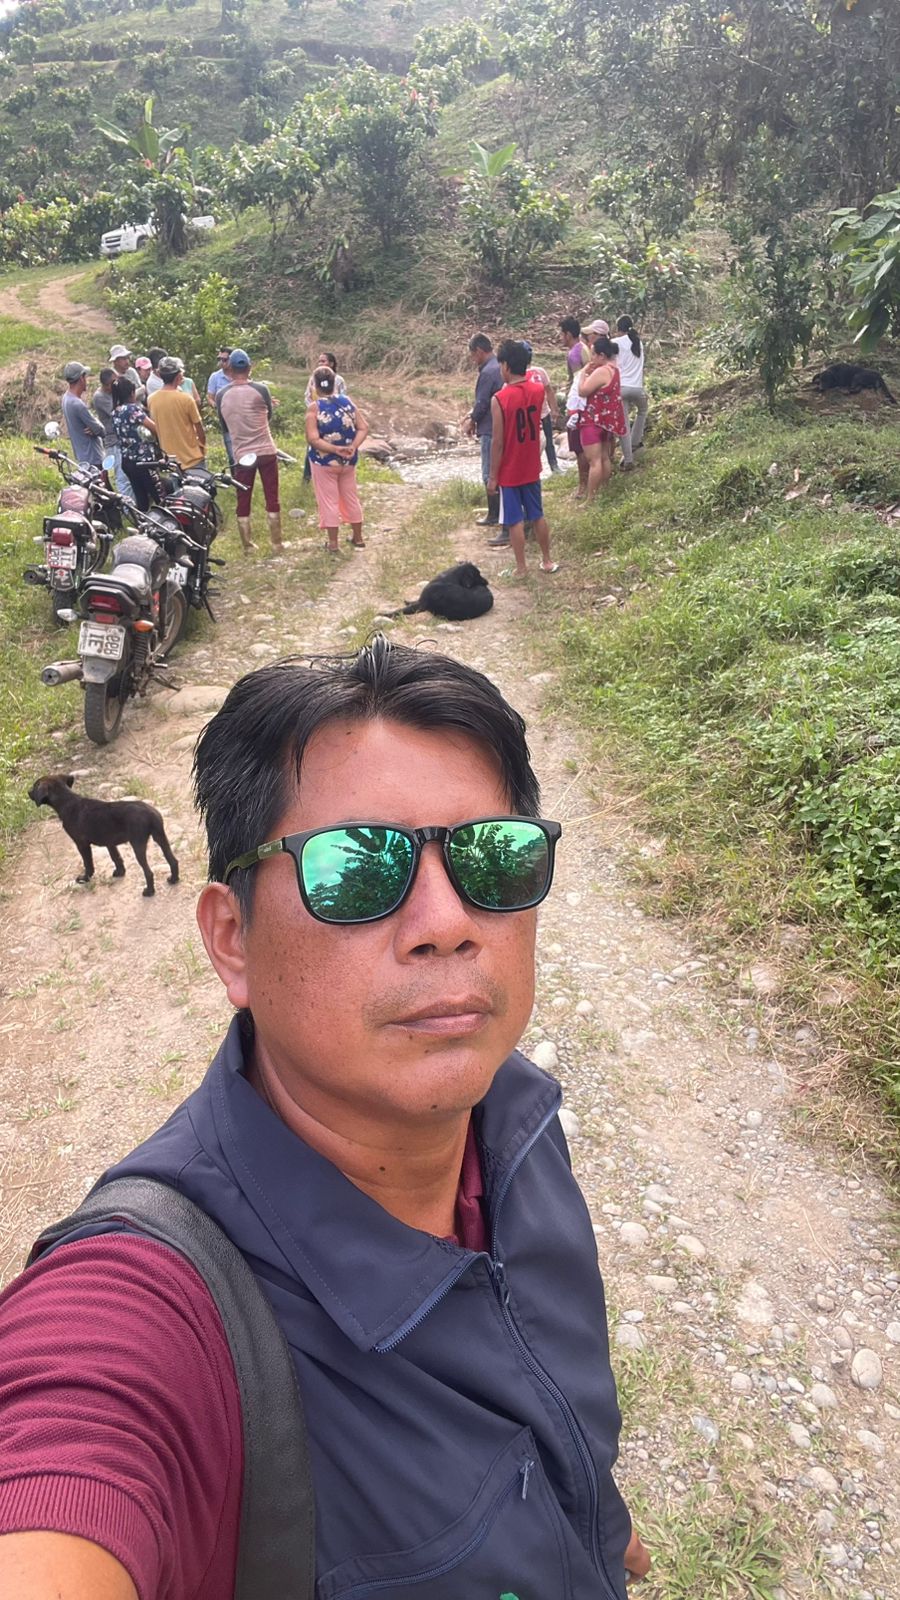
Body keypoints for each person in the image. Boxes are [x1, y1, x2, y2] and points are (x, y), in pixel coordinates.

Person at [0, 638, 651, 1599]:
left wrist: (590, 1518)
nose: (447, 922)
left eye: (495, 856)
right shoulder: (150, 1318)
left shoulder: (514, 1118)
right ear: (233, 940)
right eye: (357, 868)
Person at [487, 338, 559, 577]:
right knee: (537, 514)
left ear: (506, 366)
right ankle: (547, 561)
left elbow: (497, 442)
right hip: (531, 464)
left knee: (514, 519)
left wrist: (493, 477)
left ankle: (521, 568)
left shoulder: (499, 399)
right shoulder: (537, 391)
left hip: (510, 468)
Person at [216, 348, 284, 554]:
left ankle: (247, 545)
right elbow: (268, 415)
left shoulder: (221, 394)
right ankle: (276, 543)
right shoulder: (261, 389)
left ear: (229, 368)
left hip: (242, 453)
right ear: (249, 367)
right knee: (272, 495)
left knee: (243, 497)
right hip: (265, 450)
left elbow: (224, 425)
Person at [305, 365, 369, 552]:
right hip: (348, 460)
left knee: (329, 500)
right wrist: (352, 447)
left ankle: (333, 543)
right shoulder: (347, 402)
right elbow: (363, 427)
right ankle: (358, 538)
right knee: (351, 497)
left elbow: (313, 439)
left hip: (324, 462)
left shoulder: (314, 408)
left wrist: (334, 449)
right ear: (334, 384)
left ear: (315, 385)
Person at [464, 333, 506, 542]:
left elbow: (482, 402)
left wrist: (472, 420)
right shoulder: (499, 366)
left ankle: (494, 514)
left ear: (479, 351)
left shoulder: (488, 372)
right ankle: (498, 513)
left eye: (473, 355)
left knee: (489, 473)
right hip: (500, 427)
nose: (473, 360)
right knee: (498, 471)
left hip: (490, 428)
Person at [577, 336, 628, 501]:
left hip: (592, 420)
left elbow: (583, 391)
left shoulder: (601, 371)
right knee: (604, 457)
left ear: (601, 356)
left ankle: (591, 497)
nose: (591, 358)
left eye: (593, 354)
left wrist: (583, 374)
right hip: (606, 421)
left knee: (594, 461)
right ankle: (604, 492)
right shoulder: (615, 370)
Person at [111, 375, 160, 511]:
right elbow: (154, 428)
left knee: (141, 497)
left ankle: (142, 520)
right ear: (132, 393)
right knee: (159, 495)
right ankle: (166, 520)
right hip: (143, 461)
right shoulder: (132, 409)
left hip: (127, 461)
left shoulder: (115, 412)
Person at [148, 355, 207, 470]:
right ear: (178, 376)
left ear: (160, 375)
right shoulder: (186, 399)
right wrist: (201, 447)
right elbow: (200, 429)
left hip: (171, 462)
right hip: (193, 459)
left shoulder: (151, 399)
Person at [560, 316, 591, 499]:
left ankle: (583, 486)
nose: (560, 338)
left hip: (578, 405)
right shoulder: (582, 348)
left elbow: (578, 380)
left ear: (568, 334)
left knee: (579, 447)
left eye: (562, 334)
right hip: (583, 403)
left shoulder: (575, 353)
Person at [614, 316, 648, 470]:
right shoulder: (638, 342)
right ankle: (635, 442)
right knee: (642, 411)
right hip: (637, 388)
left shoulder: (616, 342)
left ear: (618, 329)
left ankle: (628, 460)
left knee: (624, 423)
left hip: (622, 388)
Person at [521, 339, 560, 473]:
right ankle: (531, 468)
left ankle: (554, 466)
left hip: (543, 413)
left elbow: (549, 391)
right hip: (528, 416)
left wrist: (554, 409)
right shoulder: (518, 375)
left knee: (549, 441)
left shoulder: (539, 372)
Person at [60, 361, 105, 469]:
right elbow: (101, 431)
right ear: (81, 378)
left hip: (82, 458)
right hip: (93, 458)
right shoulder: (77, 404)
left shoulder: (66, 398)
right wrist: (97, 426)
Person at [206, 347, 234, 466]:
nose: (222, 362)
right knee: (232, 453)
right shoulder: (215, 377)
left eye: (225, 359)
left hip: (242, 417)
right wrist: (216, 405)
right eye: (219, 359)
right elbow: (210, 397)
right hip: (225, 418)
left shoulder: (240, 375)